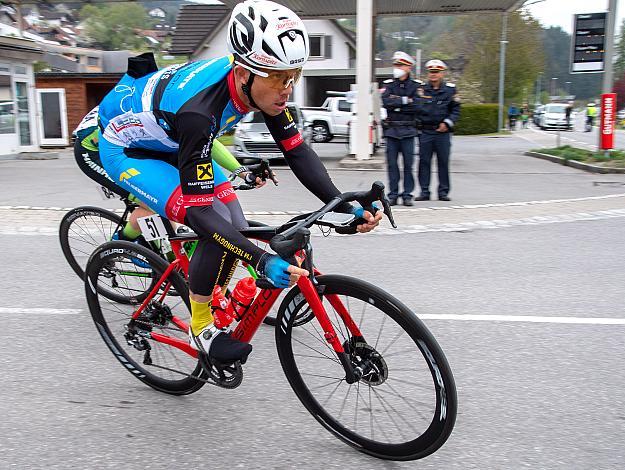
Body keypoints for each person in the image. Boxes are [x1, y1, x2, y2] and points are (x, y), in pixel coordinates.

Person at [96, 0, 382, 365]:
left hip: (173, 139)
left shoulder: (262, 87)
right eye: (280, 78)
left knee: (234, 215)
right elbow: (202, 216)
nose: (287, 89)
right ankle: (202, 328)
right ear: (244, 72)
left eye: (294, 76)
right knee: (212, 222)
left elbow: (297, 154)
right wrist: (261, 260)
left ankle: (212, 292)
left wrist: (347, 205)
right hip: (130, 151)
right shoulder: (201, 112)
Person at [72, 105, 264, 244]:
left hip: (141, 140)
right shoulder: (160, 114)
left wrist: (241, 171)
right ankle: (124, 242)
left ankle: (167, 241)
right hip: (96, 151)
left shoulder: (182, 110)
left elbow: (207, 142)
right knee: (149, 202)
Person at [415, 59, 460, 202]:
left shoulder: (450, 90)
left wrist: (447, 123)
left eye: (436, 72)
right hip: (426, 131)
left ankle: (443, 192)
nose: (433, 75)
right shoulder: (421, 90)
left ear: (442, 73)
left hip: (443, 133)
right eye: (431, 72)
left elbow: (456, 110)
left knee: (443, 162)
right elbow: (416, 109)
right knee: (424, 162)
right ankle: (424, 191)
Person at [381, 51, 422, 206]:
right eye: (395, 64)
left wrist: (397, 102)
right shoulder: (389, 85)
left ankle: (407, 194)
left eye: (400, 65)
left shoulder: (416, 86)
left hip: (408, 131)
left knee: (408, 165)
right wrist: (406, 101)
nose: (396, 67)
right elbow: (386, 102)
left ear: (408, 67)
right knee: (392, 165)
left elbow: (418, 106)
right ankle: (393, 194)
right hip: (392, 131)